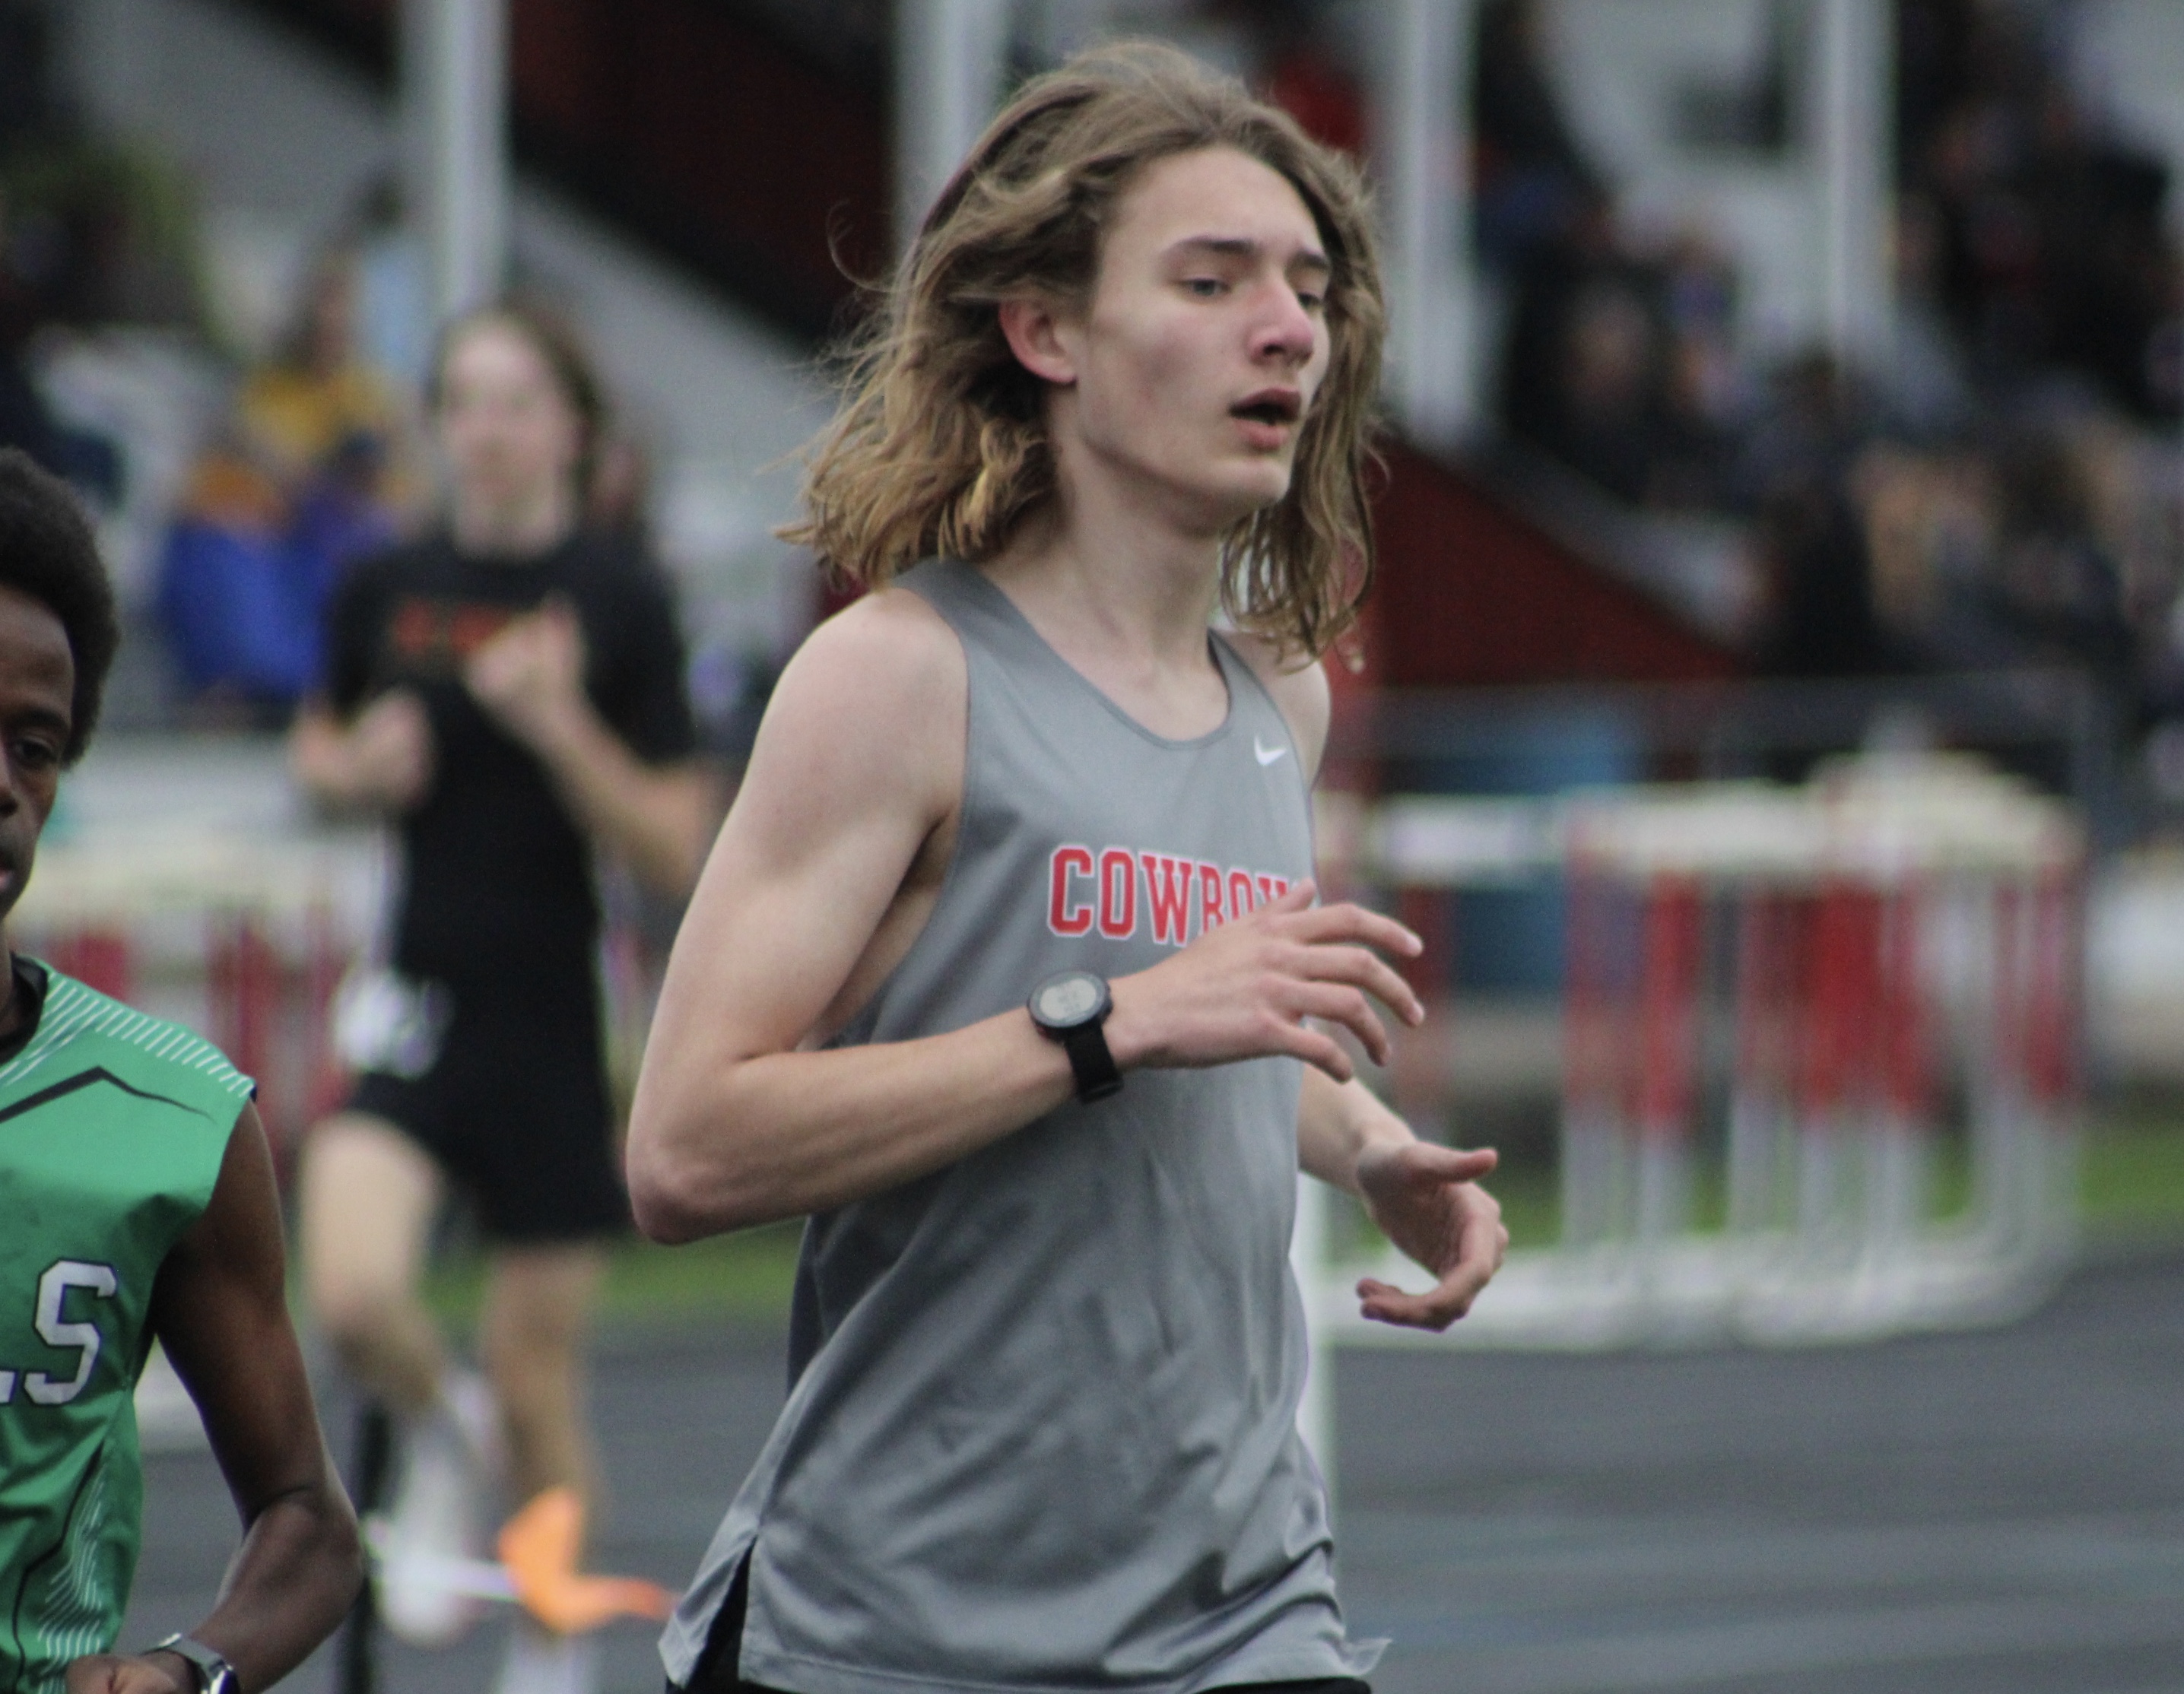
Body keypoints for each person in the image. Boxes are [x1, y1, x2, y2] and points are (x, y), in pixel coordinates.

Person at [626, 43, 1509, 1694]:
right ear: (1044, 333)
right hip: (898, 1629)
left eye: (1308, 287)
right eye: (1210, 278)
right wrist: (1107, 1020)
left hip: (1241, 1606)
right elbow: (684, 1149)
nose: (1285, 329)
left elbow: (1214, 1032)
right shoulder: (897, 679)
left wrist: (1373, 1142)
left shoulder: (1283, 697)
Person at [287, 302, 716, 1692]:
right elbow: (316, 745)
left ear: (573, 429)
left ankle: (547, 1648)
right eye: (464, 397)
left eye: (518, 398)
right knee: (351, 1293)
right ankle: (437, 1417)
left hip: (548, 1012)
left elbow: (674, 842)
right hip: (414, 996)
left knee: (545, 1387)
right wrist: (352, 775)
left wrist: (556, 725)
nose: (487, 426)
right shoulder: (385, 583)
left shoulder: (621, 598)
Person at [0, 447, 360, 1694]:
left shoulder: (175, 1122)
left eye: (33, 748)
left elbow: (310, 1523)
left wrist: (185, 1673)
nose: (1, 790)